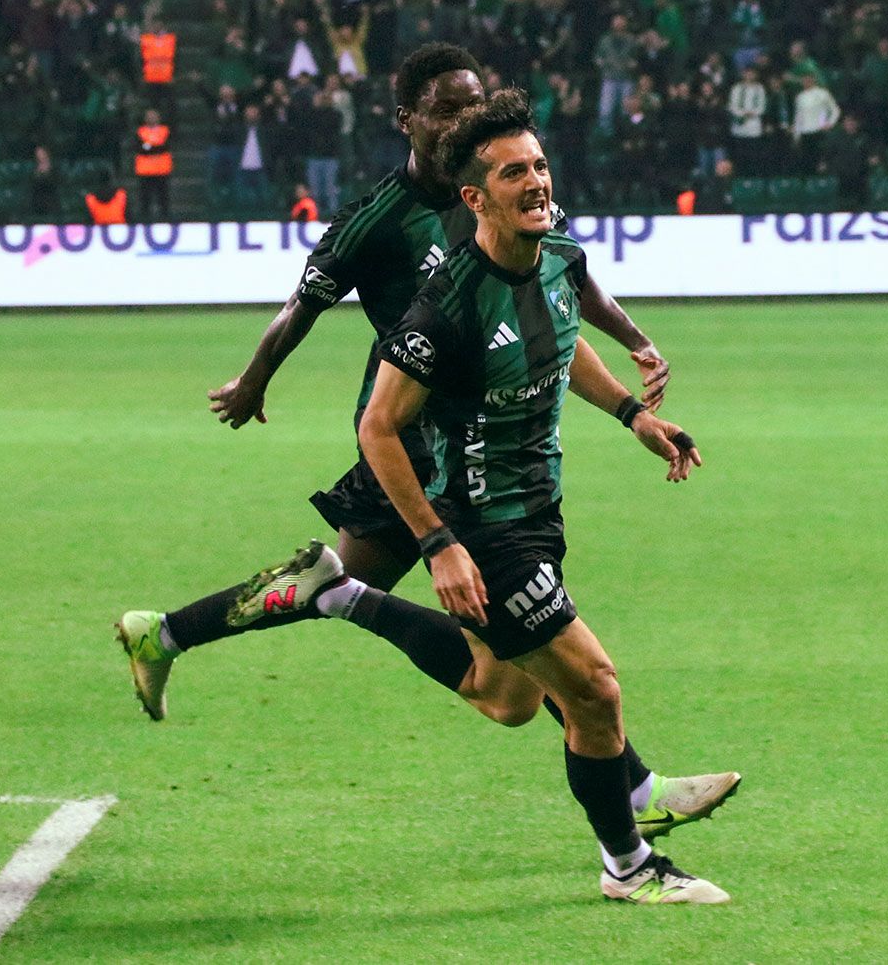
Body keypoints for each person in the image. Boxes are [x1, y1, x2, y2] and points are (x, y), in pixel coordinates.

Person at [116, 48, 736, 841]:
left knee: (467, 635)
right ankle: (635, 793)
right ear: (407, 120)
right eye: (444, 109)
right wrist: (254, 380)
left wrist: (633, 370)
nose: (460, 122)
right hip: (418, 447)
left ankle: (168, 631)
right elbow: (301, 306)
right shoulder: (382, 217)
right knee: (528, 627)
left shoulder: (507, 190)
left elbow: (558, 299)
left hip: (473, 438)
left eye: (470, 105)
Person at [355, 89, 732, 904]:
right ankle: (628, 865)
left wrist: (633, 416)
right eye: (512, 173)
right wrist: (437, 544)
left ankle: (342, 598)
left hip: (540, 513)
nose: (536, 182)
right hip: (482, 530)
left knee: (508, 700)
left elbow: (561, 342)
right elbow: (378, 427)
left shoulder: (559, 256)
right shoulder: (446, 305)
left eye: (540, 165)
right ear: (474, 197)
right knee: (594, 689)